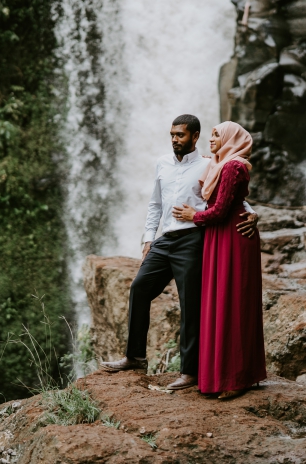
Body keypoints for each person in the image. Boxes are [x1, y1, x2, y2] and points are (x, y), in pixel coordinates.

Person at [100, 114, 258, 391]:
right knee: (139, 288)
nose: (175, 139)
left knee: (191, 305)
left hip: (194, 240)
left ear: (194, 137)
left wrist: (253, 214)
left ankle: (189, 372)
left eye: (180, 135)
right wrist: (148, 239)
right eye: (172, 134)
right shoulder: (161, 163)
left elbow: (233, 197)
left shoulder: (211, 164)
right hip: (165, 239)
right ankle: (135, 357)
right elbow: (155, 204)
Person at [172, 121, 266, 400]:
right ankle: (223, 374)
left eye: (217, 135)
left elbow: (222, 210)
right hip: (217, 237)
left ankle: (238, 378)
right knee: (222, 303)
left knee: (234, 304)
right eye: (211, 134)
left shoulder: (233, 166)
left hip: (232, 236)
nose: (212, 140)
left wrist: (193, 217)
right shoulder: (216, 163)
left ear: (230, 139)